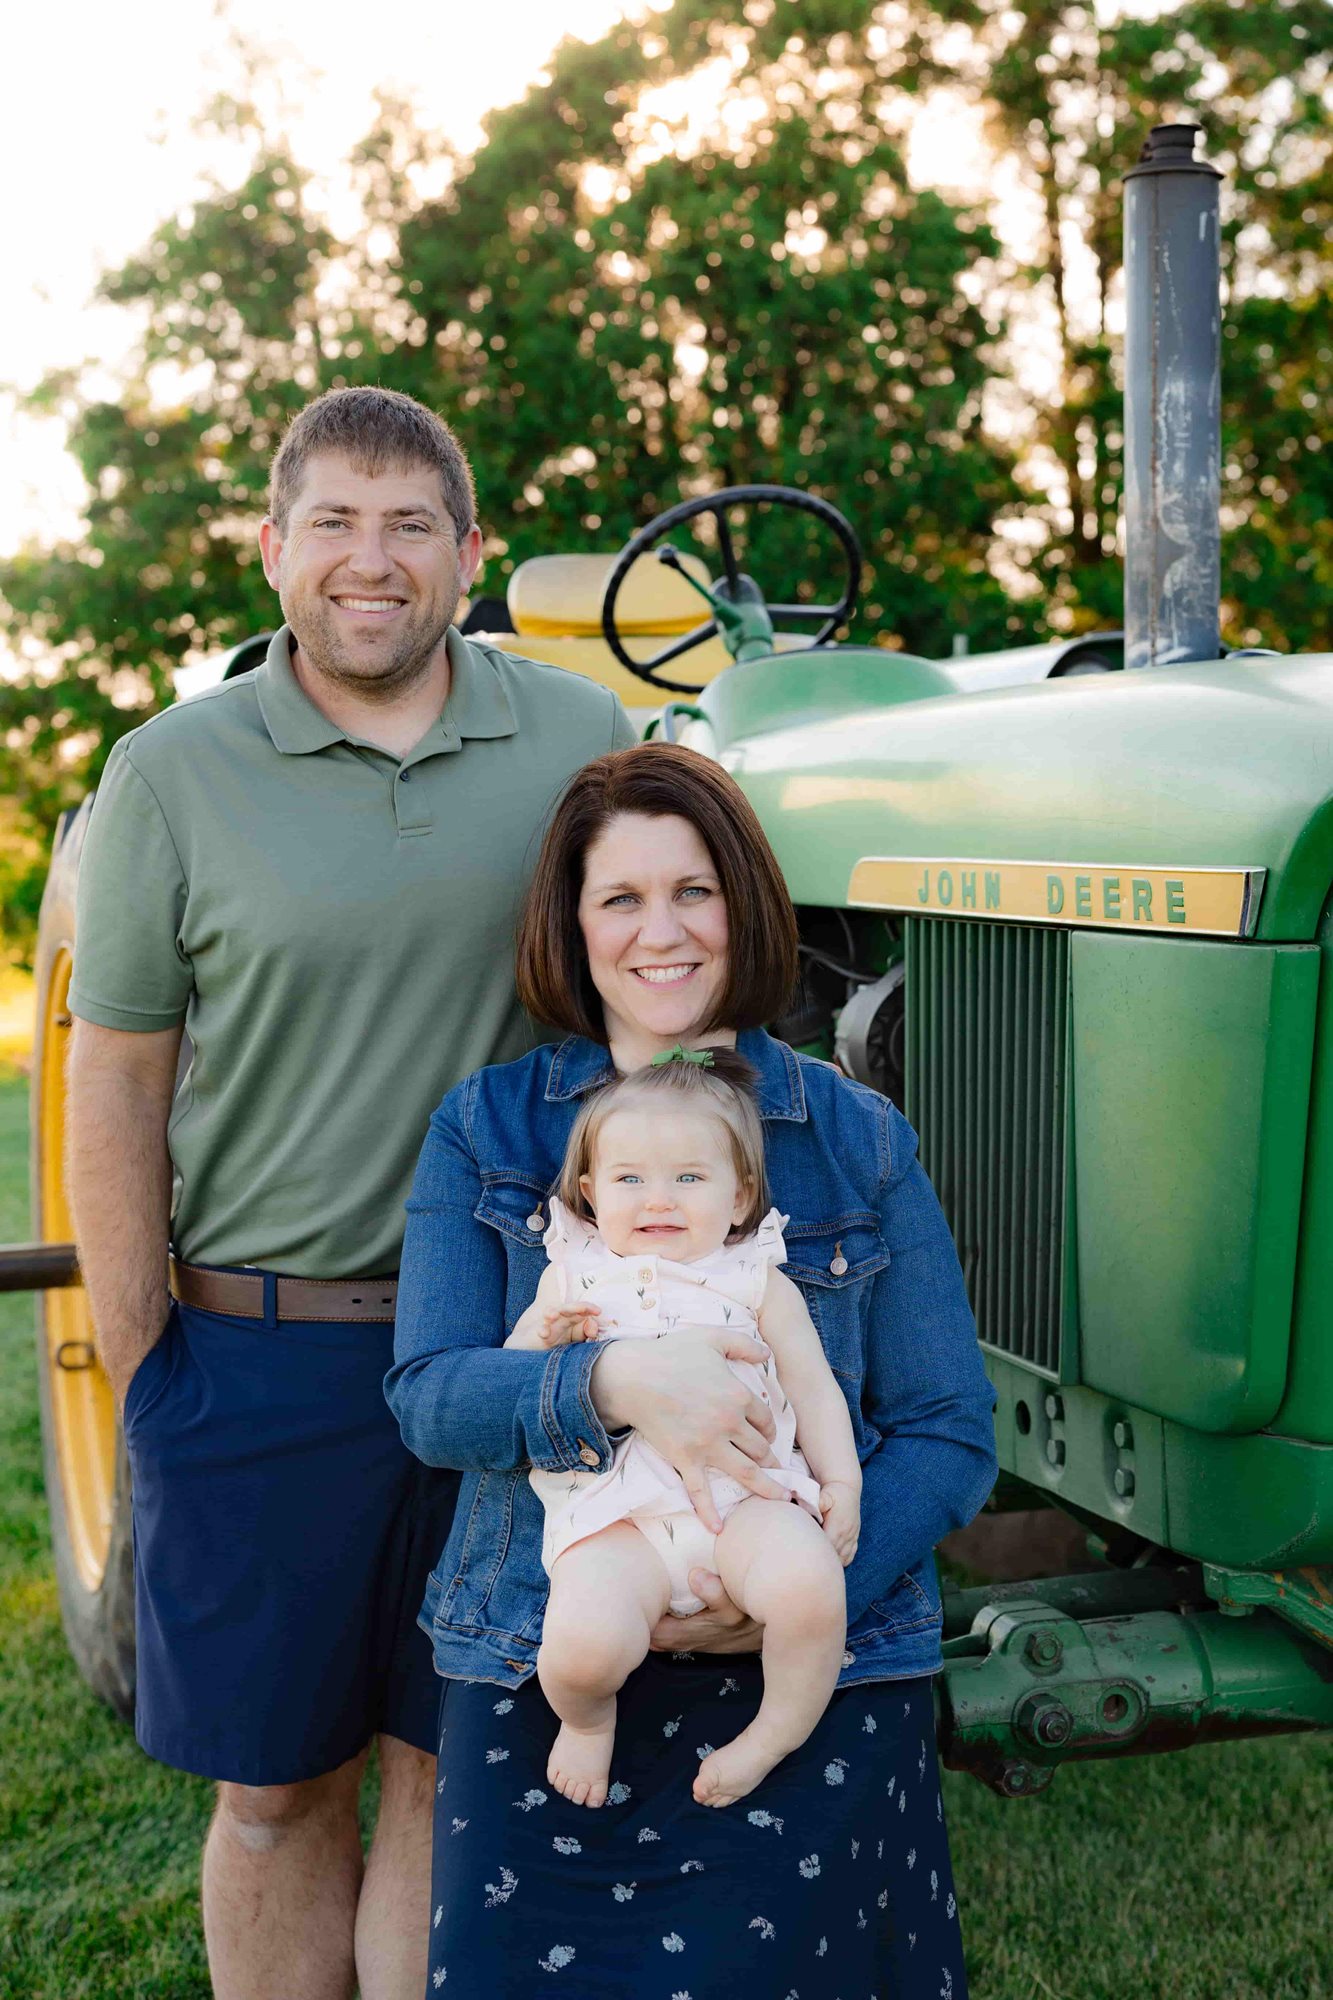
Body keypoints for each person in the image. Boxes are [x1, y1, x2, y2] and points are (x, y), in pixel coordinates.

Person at [64, 384, 636, 2000]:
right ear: (272, 550)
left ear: (470, 552)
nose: (366, 561)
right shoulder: (170, 773)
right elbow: (116, 1075)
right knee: (272, 1793)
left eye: (406, 526)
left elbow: (661, 980)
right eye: (331, 521)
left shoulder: (579, 741)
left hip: (502, 1352)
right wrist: (144, 1357)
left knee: (447, 1775)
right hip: (259, 1359)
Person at [388, 741, 997, 1998]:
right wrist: (610, 1383)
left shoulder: (854, 1137)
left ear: (747, 904)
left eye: (694, 891)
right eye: (620, 897)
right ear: (572, 925)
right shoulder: (489, 1129)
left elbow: (947, 1430)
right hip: (540, 1644)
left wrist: (796, 1574)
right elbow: (432, 1397)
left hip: (813, 1654)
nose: (659, 931)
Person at [504, 1047, 862, 1811]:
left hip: (748, 1503)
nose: (657, 1198)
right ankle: (589, 1720)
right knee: (579, 1647)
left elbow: (813, 1387)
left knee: (809, 1590)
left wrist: (841, 1481)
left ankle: (774, 1733)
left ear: (739, 1198)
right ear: (592, 1193)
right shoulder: (571, 1278)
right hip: (616, 1519)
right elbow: (508, 1388)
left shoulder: (754, 1279)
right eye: (630, 1179)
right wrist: (539, 1334)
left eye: (689, 1178)